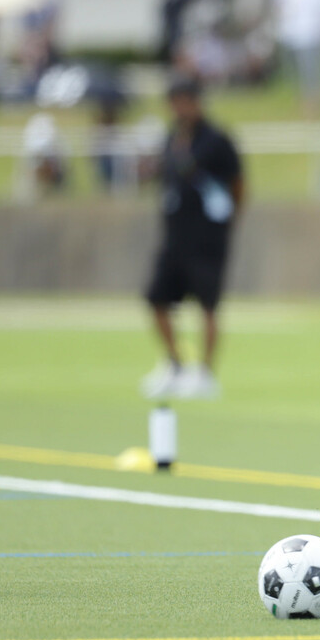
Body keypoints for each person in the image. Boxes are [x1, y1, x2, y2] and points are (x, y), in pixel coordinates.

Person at [141, 75, 244, 400]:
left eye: (184, 101)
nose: (179, 109)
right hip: (175, 237)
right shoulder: (171, 139)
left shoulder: (216, 140)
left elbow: (238, 185)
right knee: (156, 298)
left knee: (208, 305)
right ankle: (175, 364)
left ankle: (205, 373)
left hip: (207, 239)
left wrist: (227, 222)